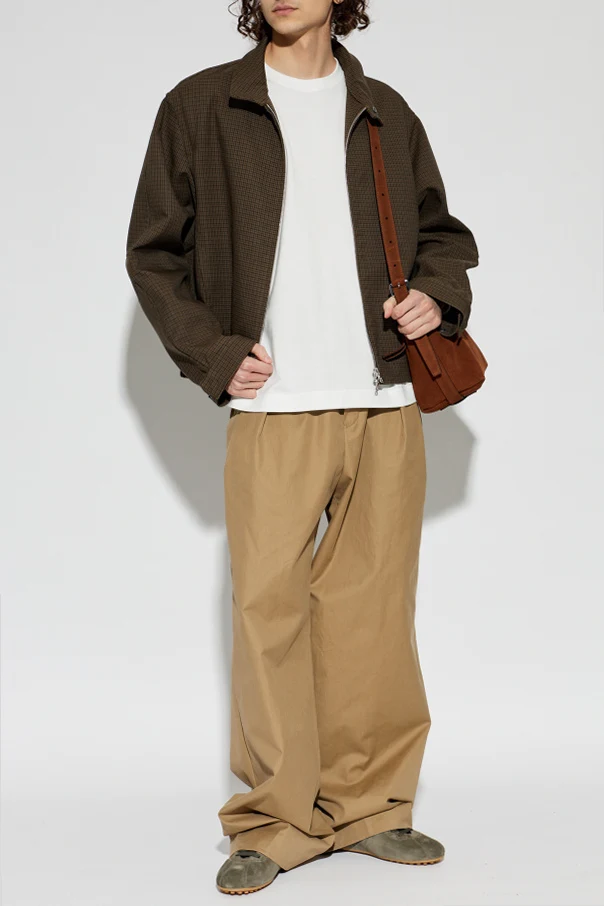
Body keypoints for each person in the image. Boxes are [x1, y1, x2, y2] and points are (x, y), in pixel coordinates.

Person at [125, 0, 479, 895]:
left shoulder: (386, 112)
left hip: (383, 397)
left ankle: (371, 807)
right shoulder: (202, 106)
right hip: (274, 403)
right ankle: (276, 820)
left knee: (374, 614)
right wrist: (212, 353)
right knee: (267, 612)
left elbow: (443, 235)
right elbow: (153, 253)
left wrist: (436, 294)